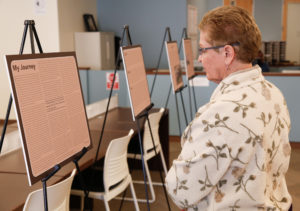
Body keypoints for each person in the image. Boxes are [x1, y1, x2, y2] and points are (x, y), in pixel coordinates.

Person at [165, 6, 292, 211]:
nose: (199, 59)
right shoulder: (274, 94)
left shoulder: (223, 112)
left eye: (202, 50)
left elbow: (181, 190)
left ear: (227, 53)